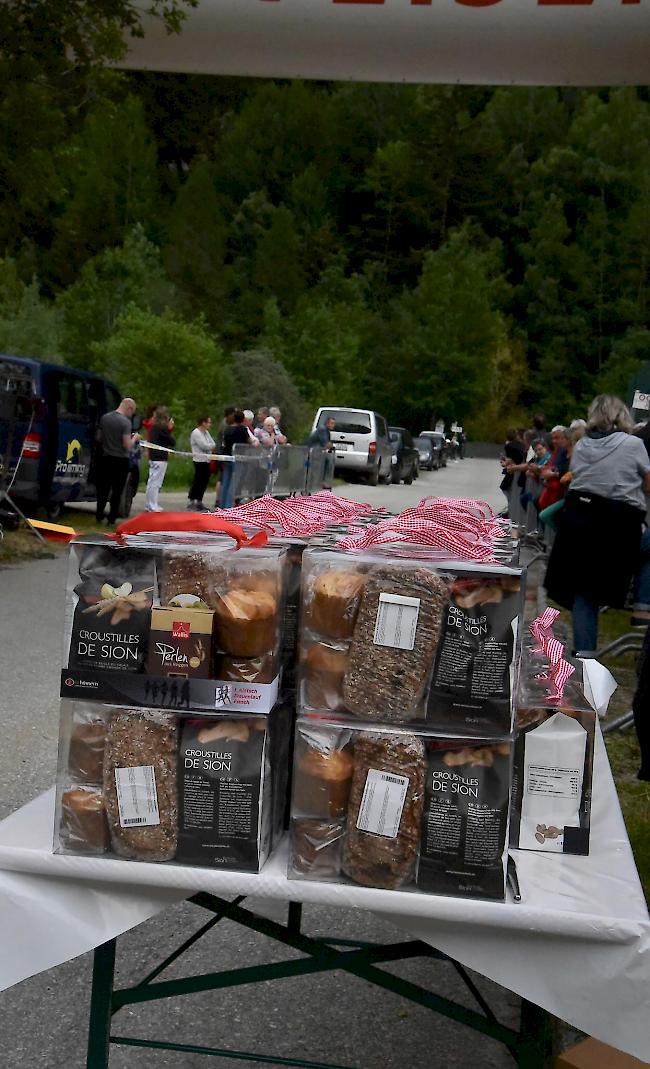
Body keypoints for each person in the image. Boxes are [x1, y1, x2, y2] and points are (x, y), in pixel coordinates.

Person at [545, 394, 650, 657]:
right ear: (620, 415)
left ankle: (585, 654)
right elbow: (648, 484)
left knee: (584, 592)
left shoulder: (582, 446)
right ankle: (642, 604)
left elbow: (579, 476)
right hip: (619, 526)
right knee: (649, 547)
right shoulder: (633, 444)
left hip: (579, 522)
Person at [95, 397, 139, 525]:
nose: (132, 415)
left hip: (105, 457)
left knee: (103, 488)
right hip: (120, 460)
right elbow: (127, 445)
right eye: (133, 411)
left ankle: (99, 515)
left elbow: (99, 437)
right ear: (129, 408)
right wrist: (134, 438)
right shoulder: (125, 423)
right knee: (117, 490)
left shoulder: (105, 418)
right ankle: (111, 518)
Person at [145, 406, 175, 512]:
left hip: (153, 456)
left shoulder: (153, 426)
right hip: (160, 458)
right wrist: (170, 428)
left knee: (151, 481)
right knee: (156, 482)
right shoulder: (162, 428)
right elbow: (172, 441)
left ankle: (149, 503)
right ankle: (153, 505)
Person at [220, 409, 251, 508]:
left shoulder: (227, 429)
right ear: (243, 420)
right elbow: (249, 440)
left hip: (227, 457)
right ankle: (229, 507)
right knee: (233, 484)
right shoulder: (242, 429)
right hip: (238, 458)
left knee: (225, 482)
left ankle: (222, 504)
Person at [187, 415, 215, 511]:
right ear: (203, 423)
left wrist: (210, 446)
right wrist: (210, 446)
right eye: (209, 422)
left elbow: (212, 443)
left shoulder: (206, 433)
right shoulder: (196, 433)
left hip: (207, 460)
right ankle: (192, 500)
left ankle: (199, 500)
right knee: (198, 480)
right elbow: (204, 446)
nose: (210, 425)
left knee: (204, 481)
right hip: (199, 460)